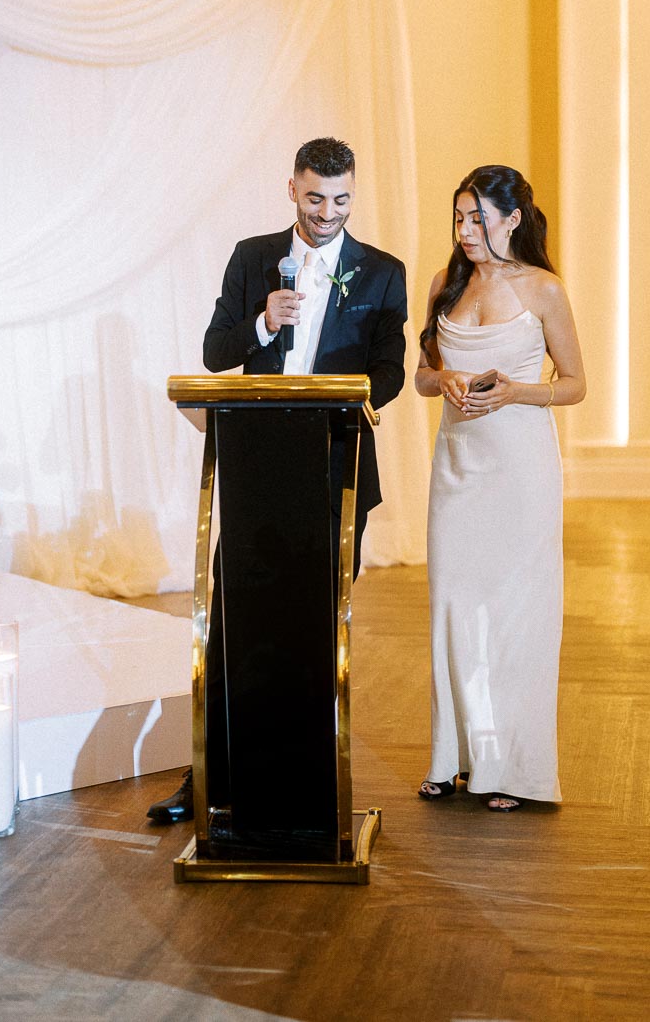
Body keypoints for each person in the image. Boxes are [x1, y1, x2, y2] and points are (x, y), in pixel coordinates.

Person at [148, 136, 408, 823]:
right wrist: (263, 322)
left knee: (319, 623)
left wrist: (353, 397)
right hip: (258, 466)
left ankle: (306, 777)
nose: (328, 213)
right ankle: (213, 776)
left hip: (335, 465)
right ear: (292, 189)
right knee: (234, 623)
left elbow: (390, 370)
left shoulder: (383, 273)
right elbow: (215, 351)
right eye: (316, 198)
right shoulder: (252, 256)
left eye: (342, 200)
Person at [414, 165, 585, 812]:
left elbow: (575, 384)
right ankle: (452, 756)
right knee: (453, 607)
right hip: (457, 469)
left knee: (514, 615)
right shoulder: (445, 284)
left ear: (512, 219)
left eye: (477, 218)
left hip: (521, 472)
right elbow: (422, 373)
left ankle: (509, 768)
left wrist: (517, 392)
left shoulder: (544, 289)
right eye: (459, 218)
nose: (465, 230)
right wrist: (443, 381)